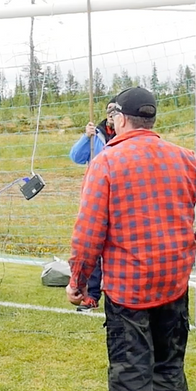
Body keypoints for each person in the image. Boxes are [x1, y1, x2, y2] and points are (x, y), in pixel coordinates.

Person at [66, 87, 196, 391]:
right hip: (173, 284)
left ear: (119, 118)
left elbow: (88, 233)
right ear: (150, 118)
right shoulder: (184, 158)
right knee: (169, 365)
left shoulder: (108, 162)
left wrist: (77, 282)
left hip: (129, 292)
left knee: (131, 375)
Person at [68, 101, 118, 312]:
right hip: (96, 196)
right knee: (93, 245)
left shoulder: (128, 138)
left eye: (116, 111)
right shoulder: (95, 134)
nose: (111, 115)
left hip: (118, 196)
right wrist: (85, 137)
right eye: (109, 111)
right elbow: (76, 157)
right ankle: (92, 294)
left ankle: (117, 293)